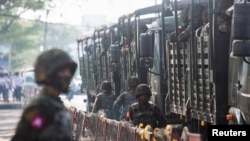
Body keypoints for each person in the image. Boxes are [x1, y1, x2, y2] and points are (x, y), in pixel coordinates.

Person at [11, 48, 77, 141]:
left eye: (68, 71)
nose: (67, 75)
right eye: (62, 71)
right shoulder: (41, 108)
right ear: (48, 74)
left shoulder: (56, 104)